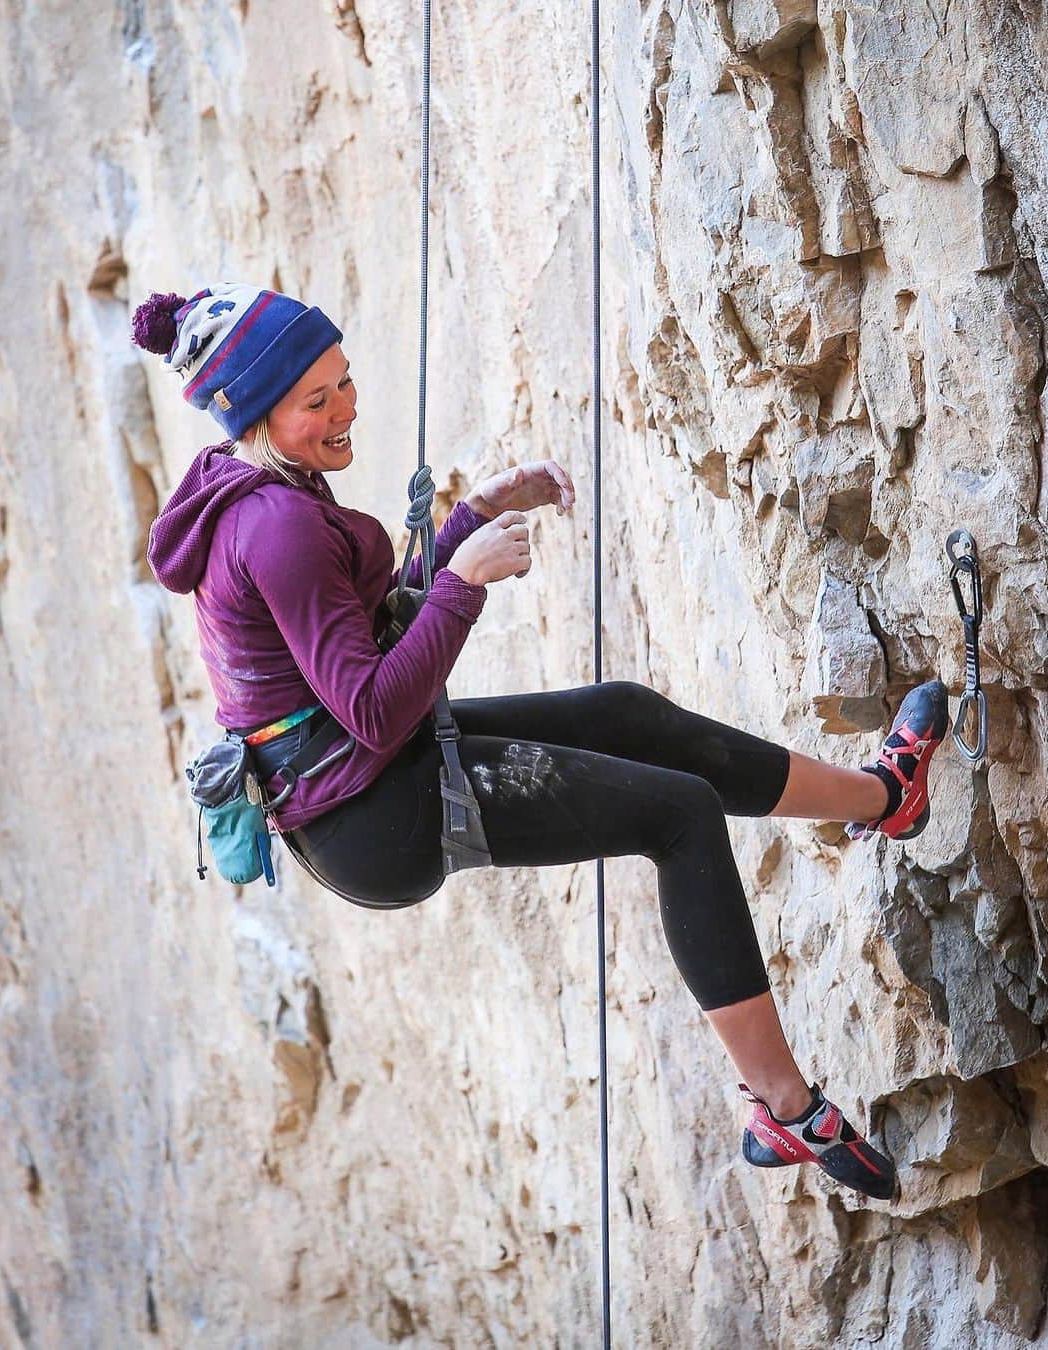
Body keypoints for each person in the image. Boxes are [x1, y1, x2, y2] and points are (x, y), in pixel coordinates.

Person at [135, 282, 949, 1203]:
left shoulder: (268, 486)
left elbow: (361, 630)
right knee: (678, 816)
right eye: (315, 401)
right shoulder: (274, 525)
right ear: (257, 415)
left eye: (344, 383)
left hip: (365, 775)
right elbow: (370, 704)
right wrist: (465, 584)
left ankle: (888, 797)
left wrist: (463, 526)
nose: (344, 409)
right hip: (375, 811)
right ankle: (787, 1111)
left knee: (626, 713)